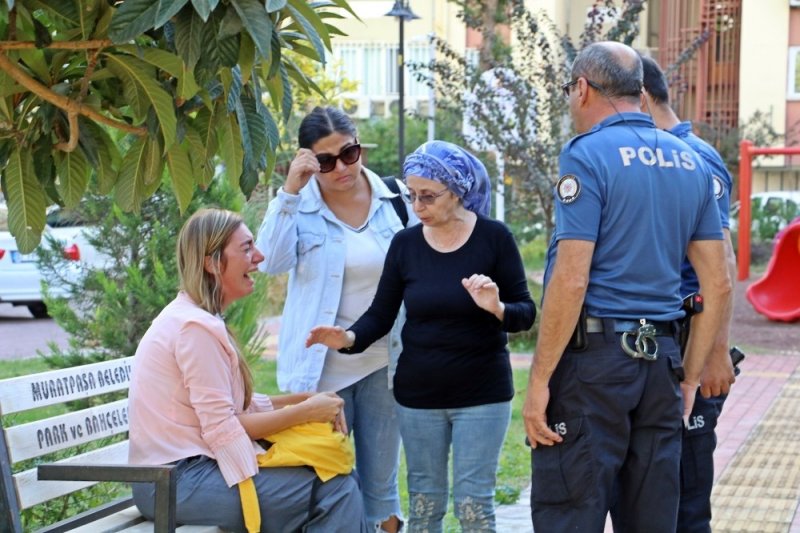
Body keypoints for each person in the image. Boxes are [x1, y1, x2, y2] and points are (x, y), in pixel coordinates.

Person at [522, 42, 732, 533]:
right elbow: (717, 284)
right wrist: (689, 379)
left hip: (594, 367)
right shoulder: (692, 161)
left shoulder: (586, 154)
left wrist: (538, 384)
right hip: (661, 363)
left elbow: (572, 279)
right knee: (653, 518)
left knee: (571, 511)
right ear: (640, 92)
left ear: (581, 89)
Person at [306, 140, 536, 532]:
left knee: (473, 508)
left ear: (457, 190)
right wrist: (346, 337)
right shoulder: (405, 244)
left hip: (482, 396)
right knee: (425, 506)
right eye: (412, 195)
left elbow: (524, 313)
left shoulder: (494, 238)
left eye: (428, 196)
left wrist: (497, 308)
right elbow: (381, 314)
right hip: (418, 398)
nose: (417, 207)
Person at [128, 208, 369, 532]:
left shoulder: (197, 318)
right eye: (246, 249)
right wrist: (306, 412)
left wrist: (304, 400)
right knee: (334, 489)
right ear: (212, 262)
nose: (258, 257)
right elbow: (224, 428)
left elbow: (231, 408)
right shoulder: (193, 328)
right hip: (172, 482)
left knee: (337, 473)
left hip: (186, 474)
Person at [256, 106, 414, 532]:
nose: (341, 167)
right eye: (325, 161)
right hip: (322, 371)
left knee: (382, 487)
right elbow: (268, 261)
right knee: (333, 484)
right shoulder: (300, 205)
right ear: (309, 161)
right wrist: (289, 190)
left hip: (386, 364)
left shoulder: (396, 200)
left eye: (349, 153)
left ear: (360, 144)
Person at [640, 54, 738, 532]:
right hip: (656, 343)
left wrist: (716, 351)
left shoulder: (693, 156)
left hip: (689, 340)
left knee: (686, 495)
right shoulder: (652, 152)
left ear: (639, 97)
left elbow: (723, 264)